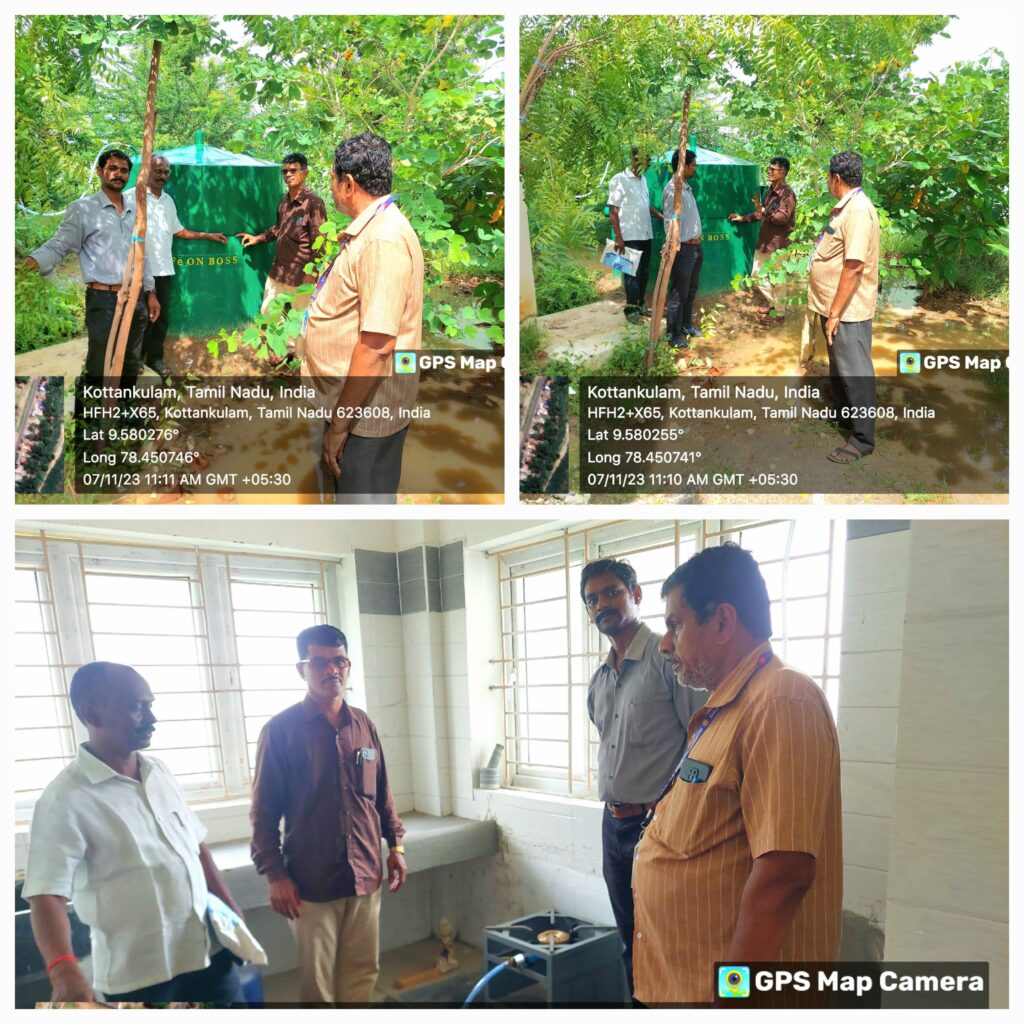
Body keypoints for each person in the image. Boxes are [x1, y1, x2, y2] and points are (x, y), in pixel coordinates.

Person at [632, 544, 842, 1006]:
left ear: (723, 622)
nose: (664, 644)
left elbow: (784, 874)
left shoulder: (782, 700)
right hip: (686, 986)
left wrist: (735, 1000)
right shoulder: (730, 707)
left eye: (675, 624)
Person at [22, 662, 246, 1006]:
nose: (152, 718)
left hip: (207, 953)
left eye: (151, 705)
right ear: (93, 714)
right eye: (138, 707)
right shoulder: (65, 799)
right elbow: (46, 895)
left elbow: (195, 847)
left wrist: (231, 909)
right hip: (139, 977)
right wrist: (62, 969)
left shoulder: (160, 772)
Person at [250, 624, 407, 1004]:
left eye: (339, 661)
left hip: (366, 873)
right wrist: (275, 875)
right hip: (311, 882)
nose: (331, 670)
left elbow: (381, 792)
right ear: (301, 669)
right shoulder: (281, 731)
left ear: (348, 666)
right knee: (318, 985)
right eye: (319, 662)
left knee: (362, 973)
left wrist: (396, 847)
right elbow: (264, 812)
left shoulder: (363, 725)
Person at [582, 559, 707, 997]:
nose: (603, 604)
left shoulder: (667, 658)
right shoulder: (600, 680)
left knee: (665, 943)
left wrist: (674, 816)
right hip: (613, 824)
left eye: (612, 592)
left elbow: (701, 741)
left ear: (635, 594)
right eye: (593, 599)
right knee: (629, 942)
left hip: (657, 825)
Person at [302, 133, 424, 504]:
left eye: (333, 181)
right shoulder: (372, 230)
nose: (333, 190)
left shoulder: (381, 241)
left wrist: (339, 426)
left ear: (349, 183)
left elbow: (376, 347)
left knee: (363, 503)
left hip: (364, 419)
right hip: (351, 406)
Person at [23, 149, 159, 385]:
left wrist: (150, 292)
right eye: (112, 168)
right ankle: (91, 417)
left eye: (124, 170)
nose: (118, 174)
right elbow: (60, 245)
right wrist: (30, 264)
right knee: (99, 364)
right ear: (100, 171)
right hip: (103, 299)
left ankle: (124, 412)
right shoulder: (83, 209)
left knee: (130, 360)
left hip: (135, 297)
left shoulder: (135, 210)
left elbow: (141, 254)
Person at [807, 151, 880, 464]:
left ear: (836, 178)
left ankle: (862, 440)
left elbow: (853, 266)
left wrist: (835, 313)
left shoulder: (859, 210)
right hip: (835, 307)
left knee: (855, 373)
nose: (827, 181)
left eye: (828, 177)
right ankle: (846, 418)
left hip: (848, 311)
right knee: (840, 369)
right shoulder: (847, 208)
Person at [237, 153, 328, 365]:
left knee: (298, 320)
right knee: (269, 312)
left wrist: (312, 273)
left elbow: (321, 240)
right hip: (279, 270)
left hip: (301, 274)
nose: (288, 175)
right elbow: (279, 229)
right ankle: (282, 352)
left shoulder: (313, 203)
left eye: (293, 170)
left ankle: (298, 362)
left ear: (305, 172)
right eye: (285, 171)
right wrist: (258, 238)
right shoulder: (284, 201)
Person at [142, 155, 229, 378]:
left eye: (166, 172)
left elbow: (178, 230)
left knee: (160, 319)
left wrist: (207, 235)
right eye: (158, 171)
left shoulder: (168, 201)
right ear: (146, 170)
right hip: (139, 270)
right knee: (138, 318)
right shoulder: (135, 198)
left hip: (163, 270)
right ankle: (131, 363)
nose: (162, 175)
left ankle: (154, 359)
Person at [728, 156, 797, 318]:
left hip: (779, 246)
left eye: (773, 169)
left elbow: (782, 218)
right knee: (756, 275)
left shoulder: (787, 195)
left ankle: (779, 313)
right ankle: (776, 304)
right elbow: (760, 213)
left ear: (783, 172)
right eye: (769, 168)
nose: (769, 171)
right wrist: (743, 218)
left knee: (779, 281)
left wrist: (765, 210)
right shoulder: (769, 192)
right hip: (764, 243)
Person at [608, 147, 663, 323]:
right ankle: (630, 310)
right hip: (629, 234)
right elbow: (613, 210)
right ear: (635, 159)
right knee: (631, 274)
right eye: (645, 162)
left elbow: (644, 205)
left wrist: (659, 215)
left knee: (644, 272)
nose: (646, 166)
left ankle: (639, 305)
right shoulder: (619, 179)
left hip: (646, 233)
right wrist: (618, 237)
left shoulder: (643, 180)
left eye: (648, 163)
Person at [662, 149, 703, 345]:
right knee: (679, 292)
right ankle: (674, 335)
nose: (695, 168)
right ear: (683, 167)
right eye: (693, 165)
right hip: (683, 248)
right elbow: (669, 222)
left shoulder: (686, 188)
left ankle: (686, 325)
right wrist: (673, 246)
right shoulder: (673, 191)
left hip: (695, 247)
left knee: (691, 290)